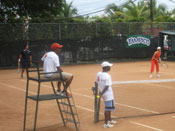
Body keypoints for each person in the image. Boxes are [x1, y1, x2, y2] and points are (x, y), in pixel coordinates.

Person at [96, 61, 117, 128]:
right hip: (108, 94)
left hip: (104, 94)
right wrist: (101, 93)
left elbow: (96, 82)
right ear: (106, 67)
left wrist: (100, 93)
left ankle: (109, 120)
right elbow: (107, 86)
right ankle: (106, 123)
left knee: (109, 108)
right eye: (109, 66)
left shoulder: (99, 74)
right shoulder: (108, 76)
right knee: (107, 109)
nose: (110, 67)